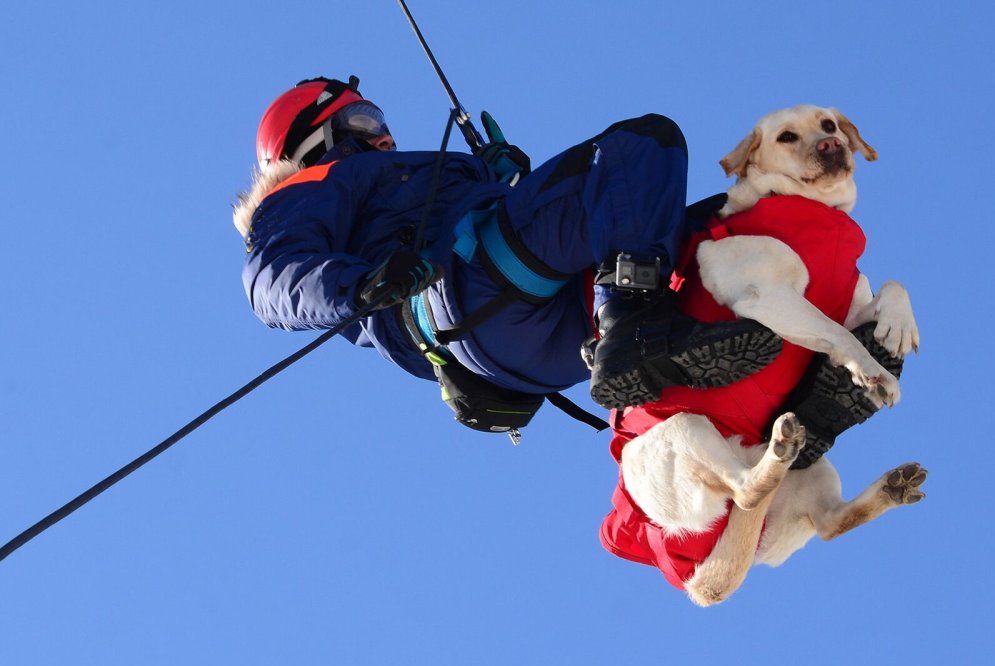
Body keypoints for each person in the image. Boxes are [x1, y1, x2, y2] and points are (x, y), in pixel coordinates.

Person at [232, 76, 781, 428]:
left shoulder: (398, 180)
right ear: (309, 140)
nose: (383, 134)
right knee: (641, 148)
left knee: (709, 236)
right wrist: (361, 284)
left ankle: (791, 373)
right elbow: (271, 279)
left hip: (541, 341)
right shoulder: (307, 187)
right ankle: (633, 328)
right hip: (464, 290)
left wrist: (507, 180)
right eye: (364, 119)